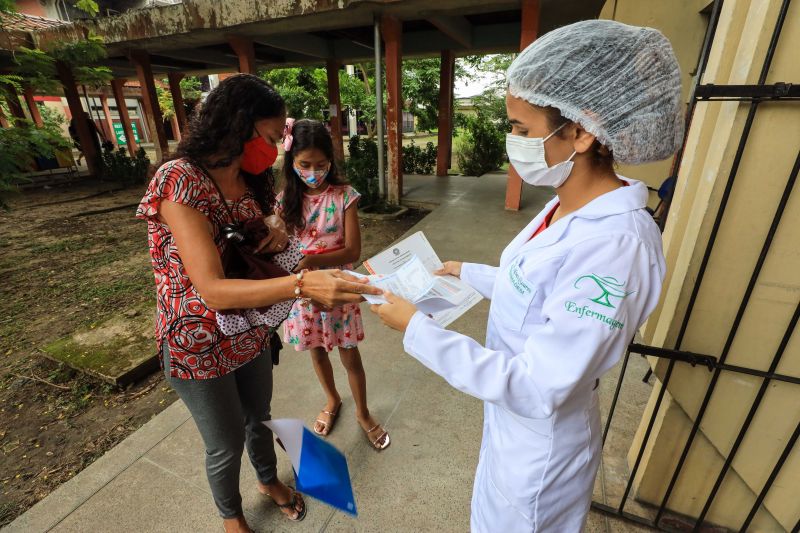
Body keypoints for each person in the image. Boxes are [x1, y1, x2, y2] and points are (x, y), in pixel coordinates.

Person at [371, 20, 682, 532]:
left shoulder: (616, 246)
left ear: (581, 131)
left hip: (541, 451)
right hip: (512, 431)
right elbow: (537, 289)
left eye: (521, 128)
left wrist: (417, 330)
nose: (511, 140)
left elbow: (539, 387)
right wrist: (466, 272)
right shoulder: (570, 206)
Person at [135, 74, 380, 533]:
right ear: (235, 126)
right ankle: (232, 517)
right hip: (197, 341)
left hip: (248, 331)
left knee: (259, 417)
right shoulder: (180, 181)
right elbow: (212, 290)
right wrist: (303, 285)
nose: (273, 150)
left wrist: (280, 233)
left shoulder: (254, 181)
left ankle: (268, 480)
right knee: (224, 442)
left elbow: (273, 228)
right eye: (269, 138)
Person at [278, 118, 390, 450]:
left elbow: (353, 251)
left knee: (350, 354)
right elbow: (284, 247)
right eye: (305, 165)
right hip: (304, 291)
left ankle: (363, 412)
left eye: (321, 164)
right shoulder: (285, 201)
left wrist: (312, 259)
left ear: (331, 160)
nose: (313, 172)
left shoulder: (345, 197)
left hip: (341, 289)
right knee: (316, 350)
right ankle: (332, 399)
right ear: (292, 162)